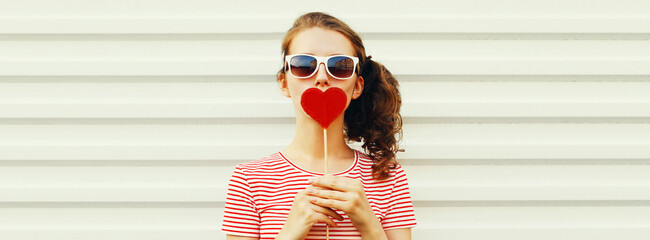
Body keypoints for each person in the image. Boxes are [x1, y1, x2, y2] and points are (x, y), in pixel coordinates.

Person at [222, 12, 416, 240]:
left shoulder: (388, 177)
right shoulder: (249, 179)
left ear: (357, 87)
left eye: (340, 66)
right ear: (284, 83)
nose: (322, 77)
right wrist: (289, 232)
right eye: (304, 65)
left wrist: (368, 223)